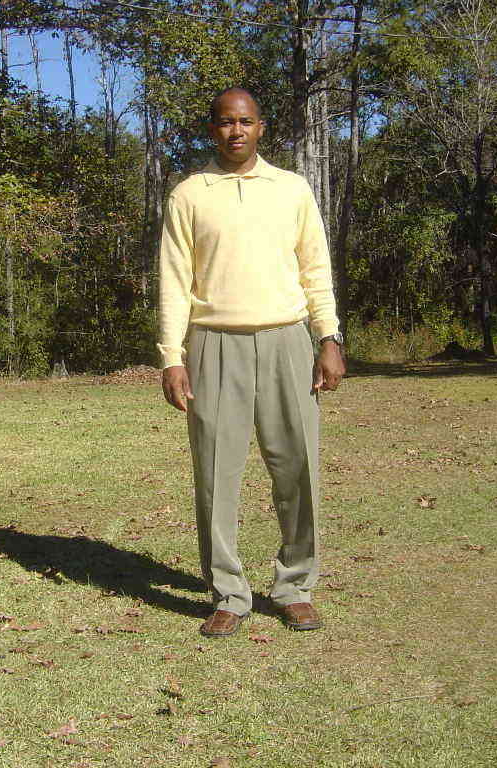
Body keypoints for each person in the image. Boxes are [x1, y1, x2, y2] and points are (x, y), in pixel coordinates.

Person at [158, 87, 345, 637]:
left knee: (297, 467)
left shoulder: (291, 189)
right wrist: (172, 357)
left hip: (287, 341)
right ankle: (228, 593)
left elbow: (315, 269)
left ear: (261, 127)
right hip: (214, 344)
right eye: (225, 122)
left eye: (245, 122)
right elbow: (173, 281)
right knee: (216, 473)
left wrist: (328, 337)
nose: (235, 131)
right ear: (212, 129)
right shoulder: (189, 194)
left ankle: (295, 587)